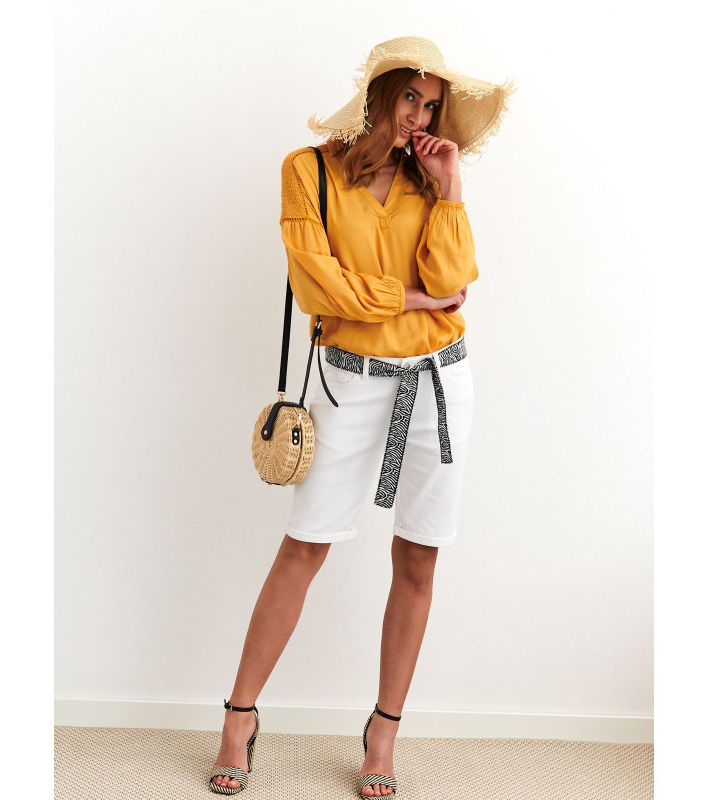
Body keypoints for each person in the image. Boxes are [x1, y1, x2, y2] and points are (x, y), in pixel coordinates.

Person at [210, 36, 516, 797]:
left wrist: (450, 187)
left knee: (419, 557)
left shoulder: (430, 178)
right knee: (304, 545)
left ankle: (384, 732)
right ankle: (239, 716)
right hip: (348, 382)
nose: (420, 117)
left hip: (439, 381)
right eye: (410, 97)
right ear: (377, 94)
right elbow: (317, 287)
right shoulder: (307, 171)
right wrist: (408, 299)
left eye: (432, 105)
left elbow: (455, 281)